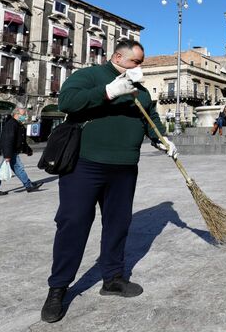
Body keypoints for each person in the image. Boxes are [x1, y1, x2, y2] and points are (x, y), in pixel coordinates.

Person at [40, 40, 178, 323]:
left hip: (125, 166)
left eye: (142, 63)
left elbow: (150, 118)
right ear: (118, 57)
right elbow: (67, 102)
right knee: (73, 222)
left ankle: (112, 278)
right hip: (85, 164)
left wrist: (162, 139)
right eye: (136, 62)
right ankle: (58, 288)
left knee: (118, 223)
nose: (141, 68)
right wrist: (108, 91)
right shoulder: (90, 75)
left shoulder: (141, 91)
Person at [0, 108, 44, 197]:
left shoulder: (17, 124)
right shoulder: (11, 125)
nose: (25, 116)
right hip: (10, 151)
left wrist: (27, 150)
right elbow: (8, 140)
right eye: (23, 115)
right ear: (16, 114)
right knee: (18, 168)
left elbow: (20, 141)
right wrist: (7, 155)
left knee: (9, 168)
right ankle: (28, 185)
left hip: (12, 151)